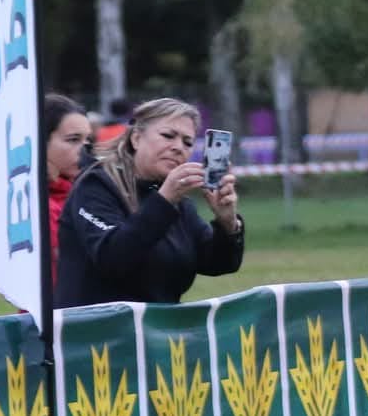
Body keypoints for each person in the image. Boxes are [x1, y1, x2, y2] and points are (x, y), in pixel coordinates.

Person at [57, 97, 243, 309]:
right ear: (136, 139)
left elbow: (218, 264)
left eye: (187, 142)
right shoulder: (95, 185)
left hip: (157, 334)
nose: (178, 147)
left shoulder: (178, 202)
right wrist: (164, 200)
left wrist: (227, 223)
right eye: (167, 136)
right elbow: (113, 258)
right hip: (96, 334)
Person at [43, 94, 93, 282]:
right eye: (73, 140)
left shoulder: (80, 192)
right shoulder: (37, 206)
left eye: (86, 141)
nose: (83, 150)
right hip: (59, 309)